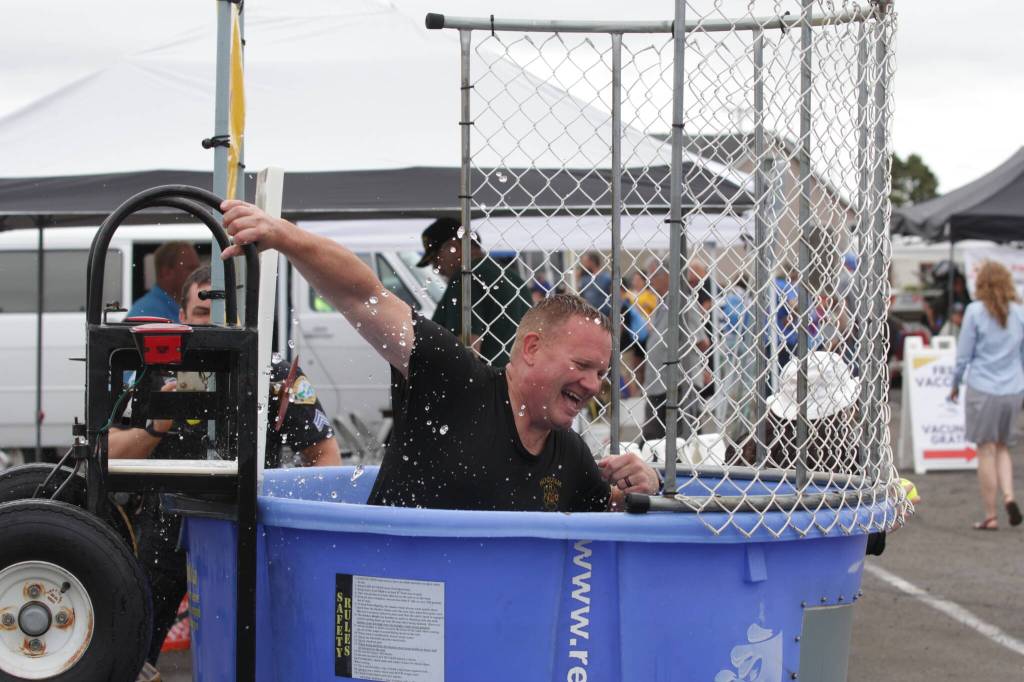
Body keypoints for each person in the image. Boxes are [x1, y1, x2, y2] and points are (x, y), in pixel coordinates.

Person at [218, 200, 661, 513]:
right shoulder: (457, 382)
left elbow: (609, 523)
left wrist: (645, 486)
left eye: (601, 372)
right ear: (530, 349)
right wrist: (281, 234)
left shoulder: (571, 455)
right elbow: (363, 296)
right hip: (398, 612)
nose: (593, 384)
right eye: (582, 366)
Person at [109, 265, 342, 666]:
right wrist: (156, 425)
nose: (212, 324)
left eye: (221, 314)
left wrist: (287, 507)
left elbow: (325, 454)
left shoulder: (273, 372)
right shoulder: (155, 370)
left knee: (255, 642)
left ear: (239, 317)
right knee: (132, 641)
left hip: (244, 524)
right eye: (201, 313)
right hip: (165, 521)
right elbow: (110, 453)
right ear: (181, 316)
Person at [948, 261, 1024, 530]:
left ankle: (991, 515)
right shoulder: (1019, 312)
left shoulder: (975, 312)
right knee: (1003, 447)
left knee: (986, 451)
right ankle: (1010, 495)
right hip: (1013, 389)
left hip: (983, 388)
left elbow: (964, 356)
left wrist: (955, 384)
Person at [417, 217, 530, 367]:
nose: (436, 269)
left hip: (484, 382)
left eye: (436, 260)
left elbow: (468, 347)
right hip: (517, 378)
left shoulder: (464, 277)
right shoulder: (514, 280)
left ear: (453, 246)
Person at [640, 264, 709, 442]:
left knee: (683, 434)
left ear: (667, 277)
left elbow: (702, 341)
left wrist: (701, 366)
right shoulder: (661, 304)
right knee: (654, 434)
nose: (650, 281)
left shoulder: (682, 302)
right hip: (659, 381)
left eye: (653, 276)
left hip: (680, 381)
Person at [126, 241, 200, 321]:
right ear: (166, 272)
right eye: (191, 269)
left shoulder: (173, 307)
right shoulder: (149, 313)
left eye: (198, 269)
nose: (197, 275)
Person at [577, 251, 613, 316]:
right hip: (589, 314)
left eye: (585, 262)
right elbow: (580, 295)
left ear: (592, 262)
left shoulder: (606, 278)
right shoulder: (585, 279)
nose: (583, 265)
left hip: (604, 314)